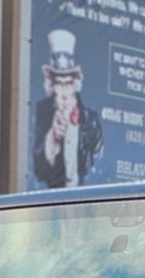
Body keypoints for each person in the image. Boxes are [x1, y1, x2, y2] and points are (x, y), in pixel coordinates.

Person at [31, 29, 103, 189]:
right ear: (51, 85)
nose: (64, 93)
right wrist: (53, 137)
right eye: (59, 84)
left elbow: (96, 160)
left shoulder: (89, 119)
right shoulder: (41, 113)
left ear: (75, 84)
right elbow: (37, 169)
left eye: (68, 83)